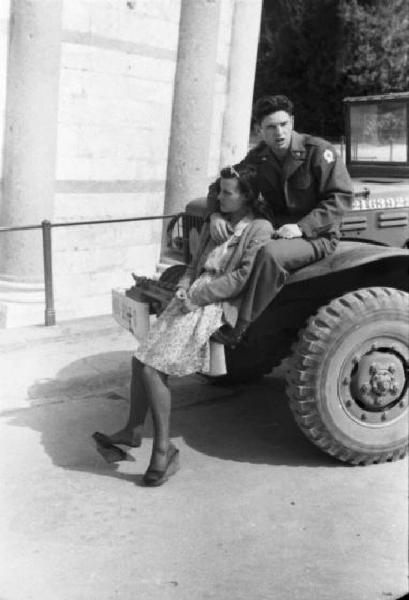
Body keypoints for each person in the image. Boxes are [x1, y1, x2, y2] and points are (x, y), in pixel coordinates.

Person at [93, 166, 274, 486]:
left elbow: (240, 279)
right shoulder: (215, 222)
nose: (220, 197)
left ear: (246, 196)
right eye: (220, 191)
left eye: (228, 192)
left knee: (152, 367)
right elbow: (194, 265)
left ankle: (164, 452)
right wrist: (184, 285)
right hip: (191, 295)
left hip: (215, 303)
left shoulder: (258, 228)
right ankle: (133, 430)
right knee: (140, 358)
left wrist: (197, 294)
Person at [206, 95, 353, 345]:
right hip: (277, 230)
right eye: (271, 127)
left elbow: (341, 197)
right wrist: (215, 213)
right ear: (259, 130)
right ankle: (212, 309)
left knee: (269, 254)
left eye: (284, 124)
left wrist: (301, 227)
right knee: (239, 246)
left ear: (292, 121)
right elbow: (224, 182)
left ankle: (239, 326)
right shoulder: (260, 157)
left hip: (317, 235)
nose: (280, 132)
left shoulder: (318, 152)